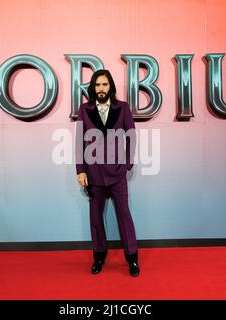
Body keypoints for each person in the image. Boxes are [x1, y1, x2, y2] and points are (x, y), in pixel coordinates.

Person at [75, 69, 139, 277]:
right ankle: (99, 256)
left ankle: (132, 258)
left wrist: (127, 164)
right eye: (97, 85)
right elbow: (78, 141)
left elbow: (131, 136)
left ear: (110, 86)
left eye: (104, 84)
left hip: (117, 173)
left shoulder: (123, 108)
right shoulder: (84, 109)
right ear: (93, 88)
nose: (101, 88)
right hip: (93, 175)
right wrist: (80, 170)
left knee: (124, 216)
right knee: (95, 218)